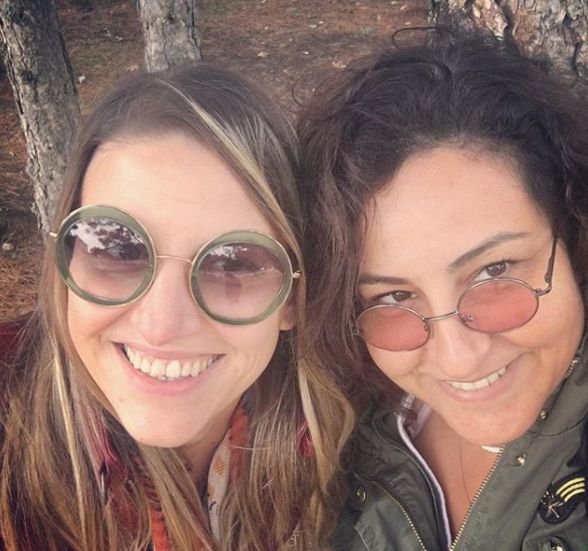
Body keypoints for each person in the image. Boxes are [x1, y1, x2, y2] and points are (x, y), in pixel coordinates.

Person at [0, 63, 353, 550]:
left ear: (292, 298)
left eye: (232, 263)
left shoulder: (362, 455)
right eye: (117, 248)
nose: (162, 324)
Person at [297, 26, 588, 550]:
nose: (458, 357)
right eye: (394, 297)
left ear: (572, 234)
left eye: (495, 272)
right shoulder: (336, 429)